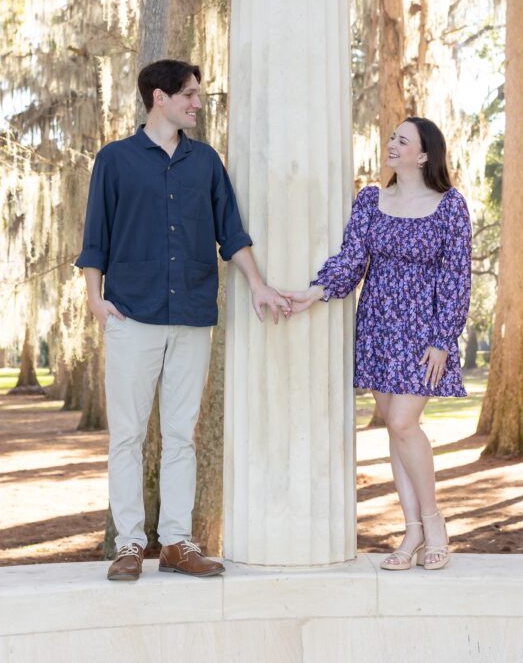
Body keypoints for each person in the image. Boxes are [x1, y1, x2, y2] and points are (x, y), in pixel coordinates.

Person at [76, 59, 290, 582]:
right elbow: (95, 238)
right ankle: (129, 544)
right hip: (132, 314)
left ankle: (175, 542)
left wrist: (259, 285)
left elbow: (231, 233)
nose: (197, 103)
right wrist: (94, 299)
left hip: (193, 315)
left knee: (180, 435)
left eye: (197, 94)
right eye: (190, 94)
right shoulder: (115, 160)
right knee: (127, 435)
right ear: (159, 97)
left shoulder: (206, 163)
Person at [285, 117, 471, 571]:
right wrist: (315, 292)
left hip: (423, 332)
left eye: (402, 141)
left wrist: (443, 339)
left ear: (424, 155)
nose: (391, 144)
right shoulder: (371, 199)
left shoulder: (449, 207)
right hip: (378, 327)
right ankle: (410, 535)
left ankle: (434, 521)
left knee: (405, 422)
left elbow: (456, 278)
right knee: (393, 425)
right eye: (391, 137)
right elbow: (352, 261)